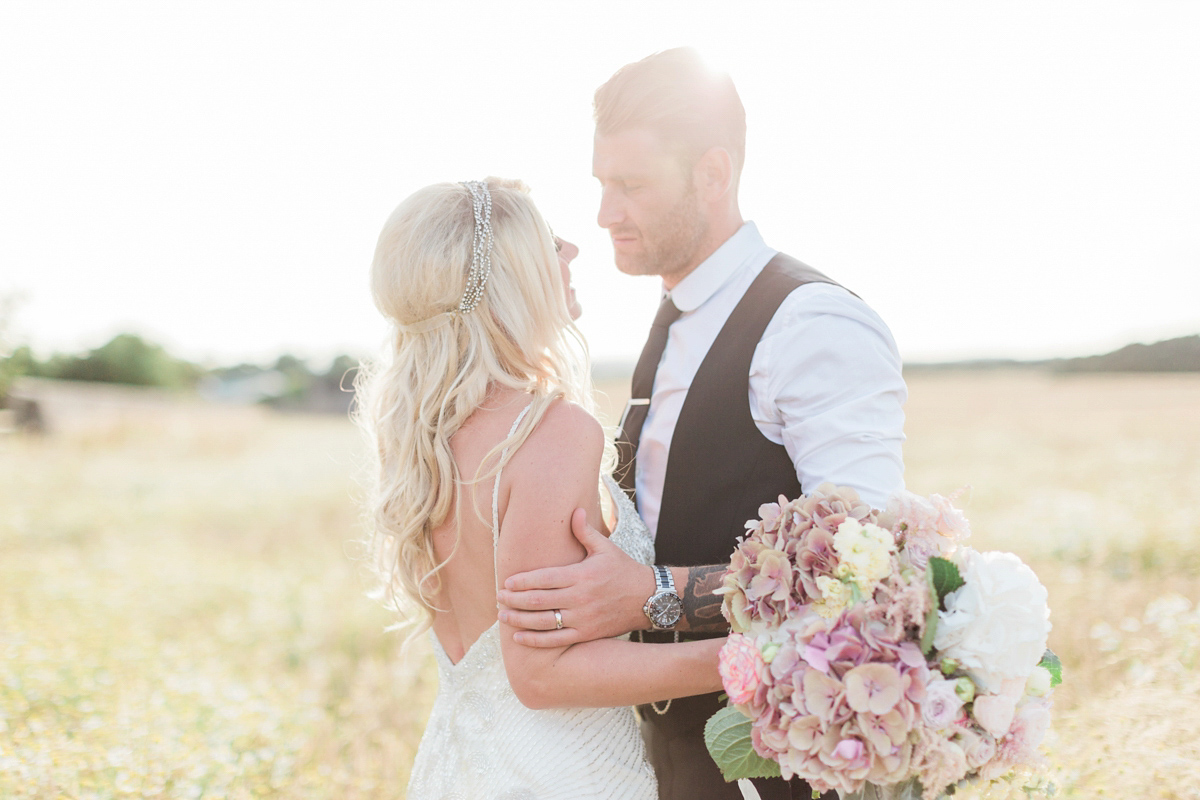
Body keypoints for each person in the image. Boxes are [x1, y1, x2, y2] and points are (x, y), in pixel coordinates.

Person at [497, 49, 908, 800]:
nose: (604, 214)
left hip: (786, 766)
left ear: (713, 174)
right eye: (601, 184)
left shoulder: (810, 323)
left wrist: (653, 595)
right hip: (670, 761)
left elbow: (872, 566)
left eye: (630, 186)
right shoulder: (672, 319)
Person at [356, 177, 726, 799]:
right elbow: (542, 674)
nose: (572, 251)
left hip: (458, 771)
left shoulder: (425, 441)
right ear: (511, 273)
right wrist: (747, 662)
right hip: (560, 777)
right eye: (549, 241)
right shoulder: (546, 431)